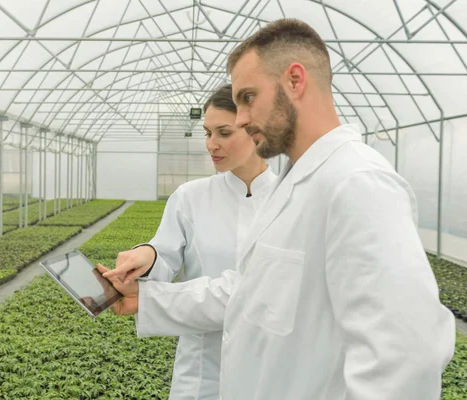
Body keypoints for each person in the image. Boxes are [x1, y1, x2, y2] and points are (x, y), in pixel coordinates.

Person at [100, 18, 456, 400]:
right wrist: (151, 299)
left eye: (248, 98)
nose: (240, 119)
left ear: (295, 81)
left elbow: (404, 355)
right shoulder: (300, 182)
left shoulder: (358, 184)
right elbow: (248, 290)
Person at [103, 84, 277, 400]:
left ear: (255, 130)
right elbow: (165, 253)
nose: (211, 144)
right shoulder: (191, 197)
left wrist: (149, 299)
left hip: (269, 372)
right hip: (201, 375)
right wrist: (148, 253)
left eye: (223, 133)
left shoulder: (287, 200)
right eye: (207, 133)